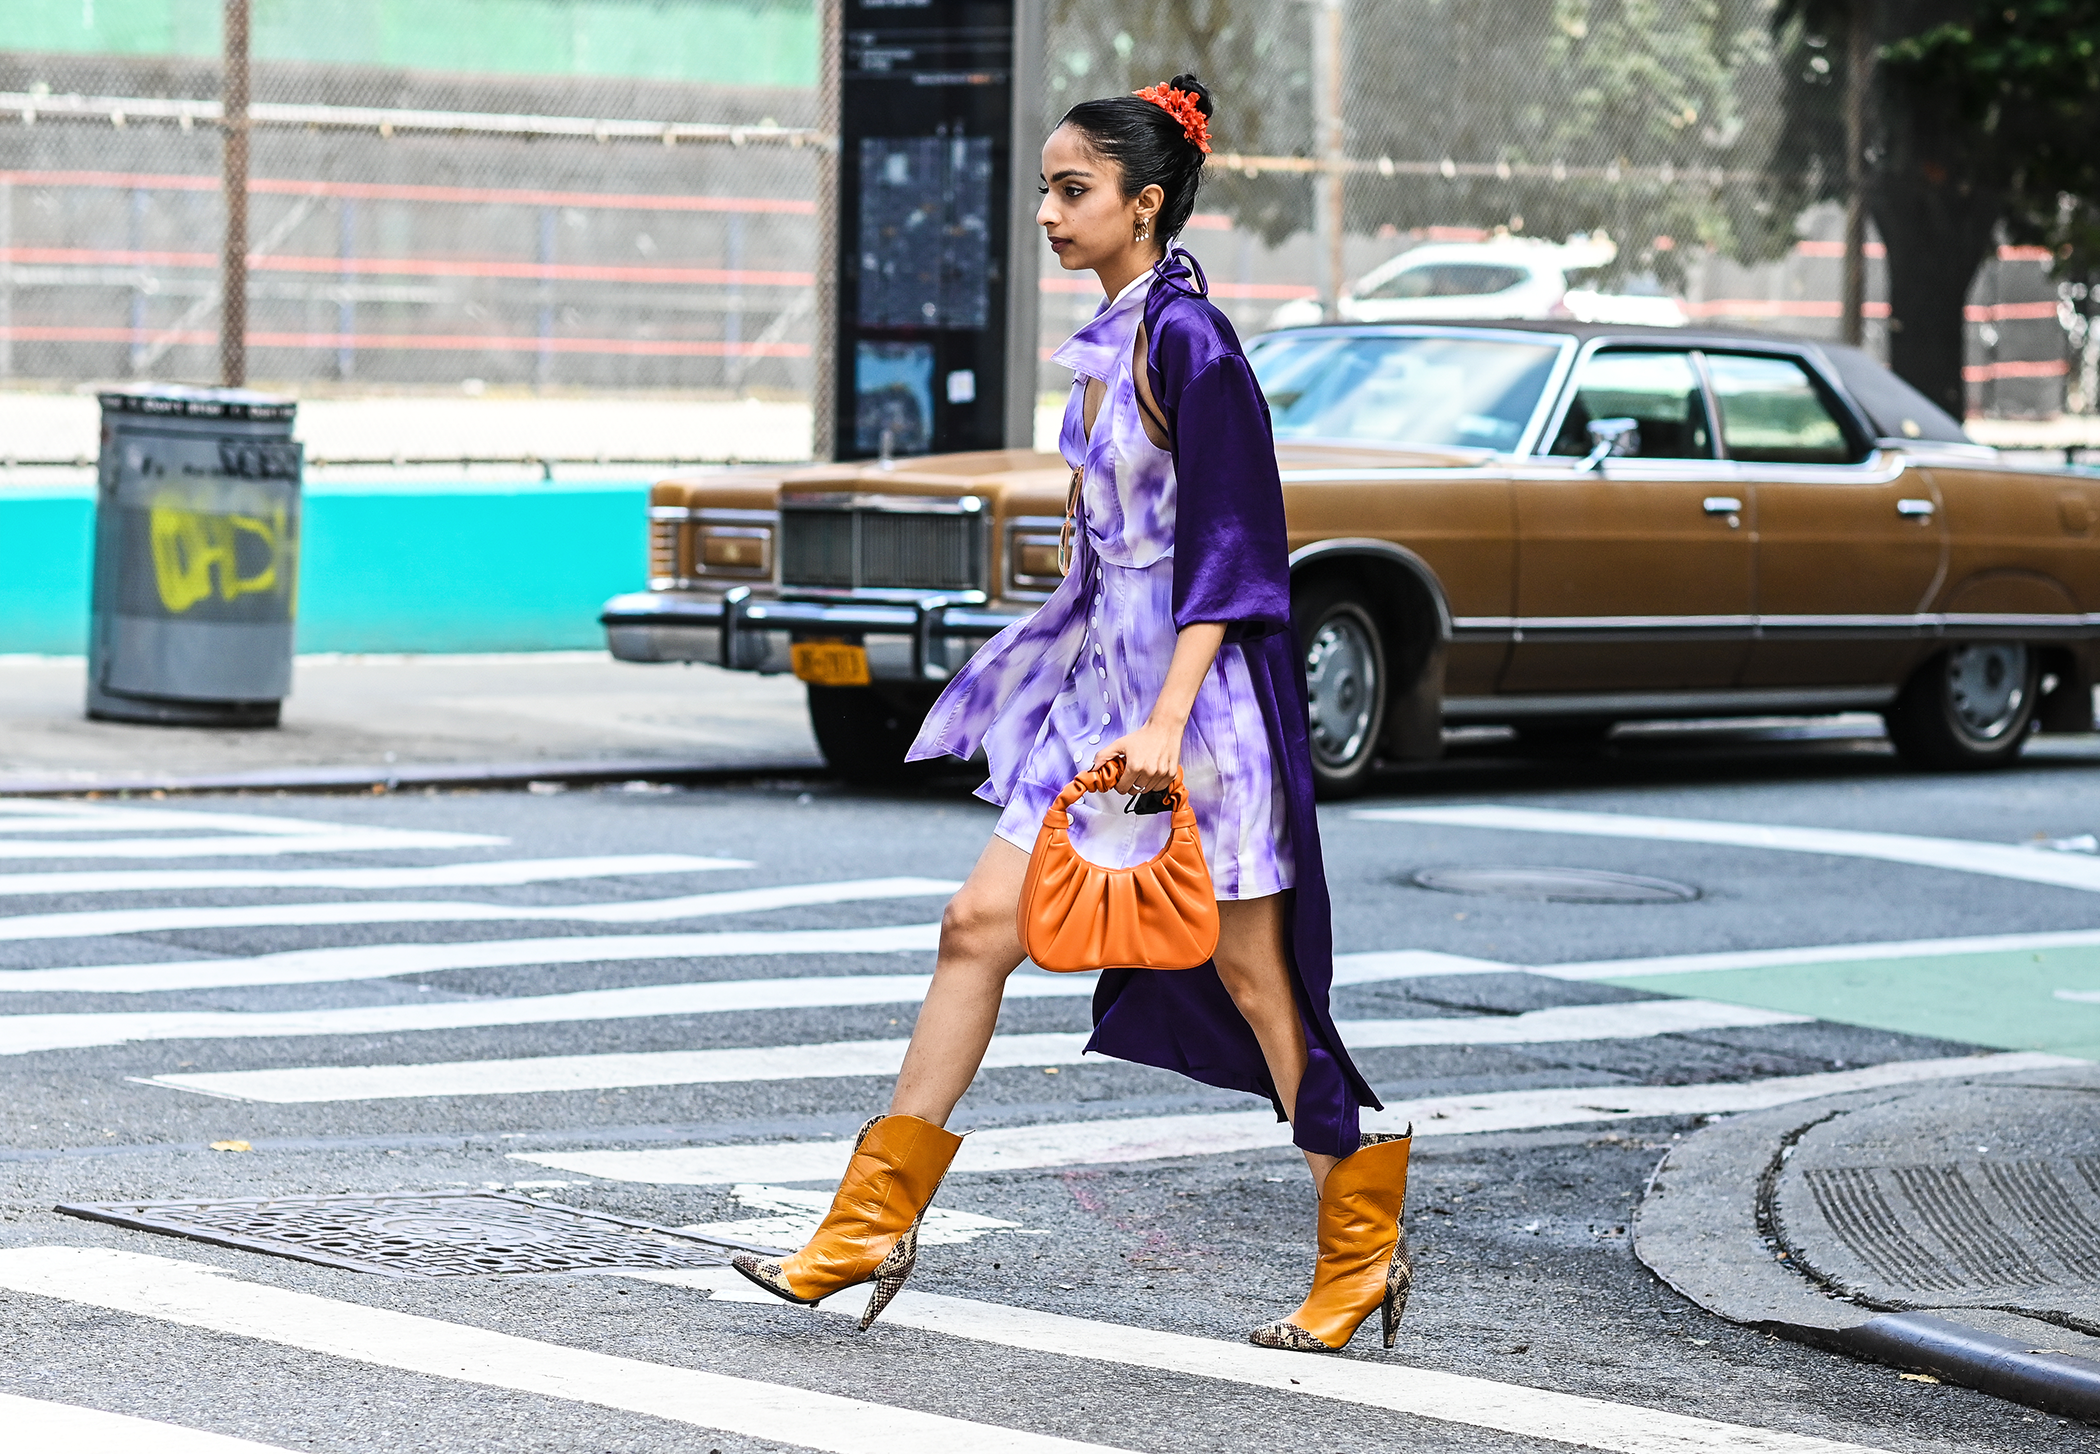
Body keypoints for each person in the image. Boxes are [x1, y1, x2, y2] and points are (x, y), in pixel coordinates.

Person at [733, 74, 1410, 1354]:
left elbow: (1235, 545)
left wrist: (1165, 720)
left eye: (1073, 189)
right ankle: (868, 1222)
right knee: (975, 925)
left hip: (1193, 720)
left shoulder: (1190, 343)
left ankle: (1360, 1246)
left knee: (1261, 986)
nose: (1048, 212)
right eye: (1048, 187)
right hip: (1102, 704)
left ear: (1145, 204)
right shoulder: (1117, 337)